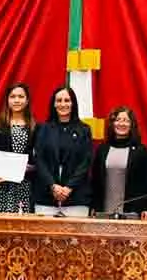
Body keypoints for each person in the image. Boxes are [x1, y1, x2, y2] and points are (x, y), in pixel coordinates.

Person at [33, 86, 93, 217]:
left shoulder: (84, 130)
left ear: (73, 104)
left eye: (67, 100)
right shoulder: (42, 129)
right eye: (59, 100)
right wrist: (52, 186)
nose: (63, 104)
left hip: (76, 198)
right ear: (53, 104)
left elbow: (86, 161)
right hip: (46, 198)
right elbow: (39, 160)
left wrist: (68, 188)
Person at [91, 106, 147, 218]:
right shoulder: (102, 149)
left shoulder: (141, 151)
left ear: (132, 125)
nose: (121, 123)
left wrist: (146, 207)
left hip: (132, 212)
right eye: (118, 120)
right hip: (103, 210)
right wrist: (93, 206)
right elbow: (95, 181)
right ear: (112, 123)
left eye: (126, 120)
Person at [0, 83, 36, 213]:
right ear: (7, 100)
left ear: (27, 100)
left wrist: (31, 166)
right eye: (13, 96)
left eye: (21, 96)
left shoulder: (34, 127)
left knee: (19, 229)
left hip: (22, 187)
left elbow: (37, 158)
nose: (17, 100)